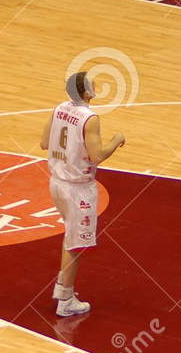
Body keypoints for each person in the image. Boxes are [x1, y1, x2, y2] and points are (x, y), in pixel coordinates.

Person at [38, 70, 125, 317]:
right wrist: (116, 140)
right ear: (87, 91)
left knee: (71, 238)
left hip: (56, 182)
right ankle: (65, 299)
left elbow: (44, 143)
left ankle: (61, 289)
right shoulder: (90, 118)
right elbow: (97, 155)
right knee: (76, 245)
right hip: (77, 188)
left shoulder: (58, 109)